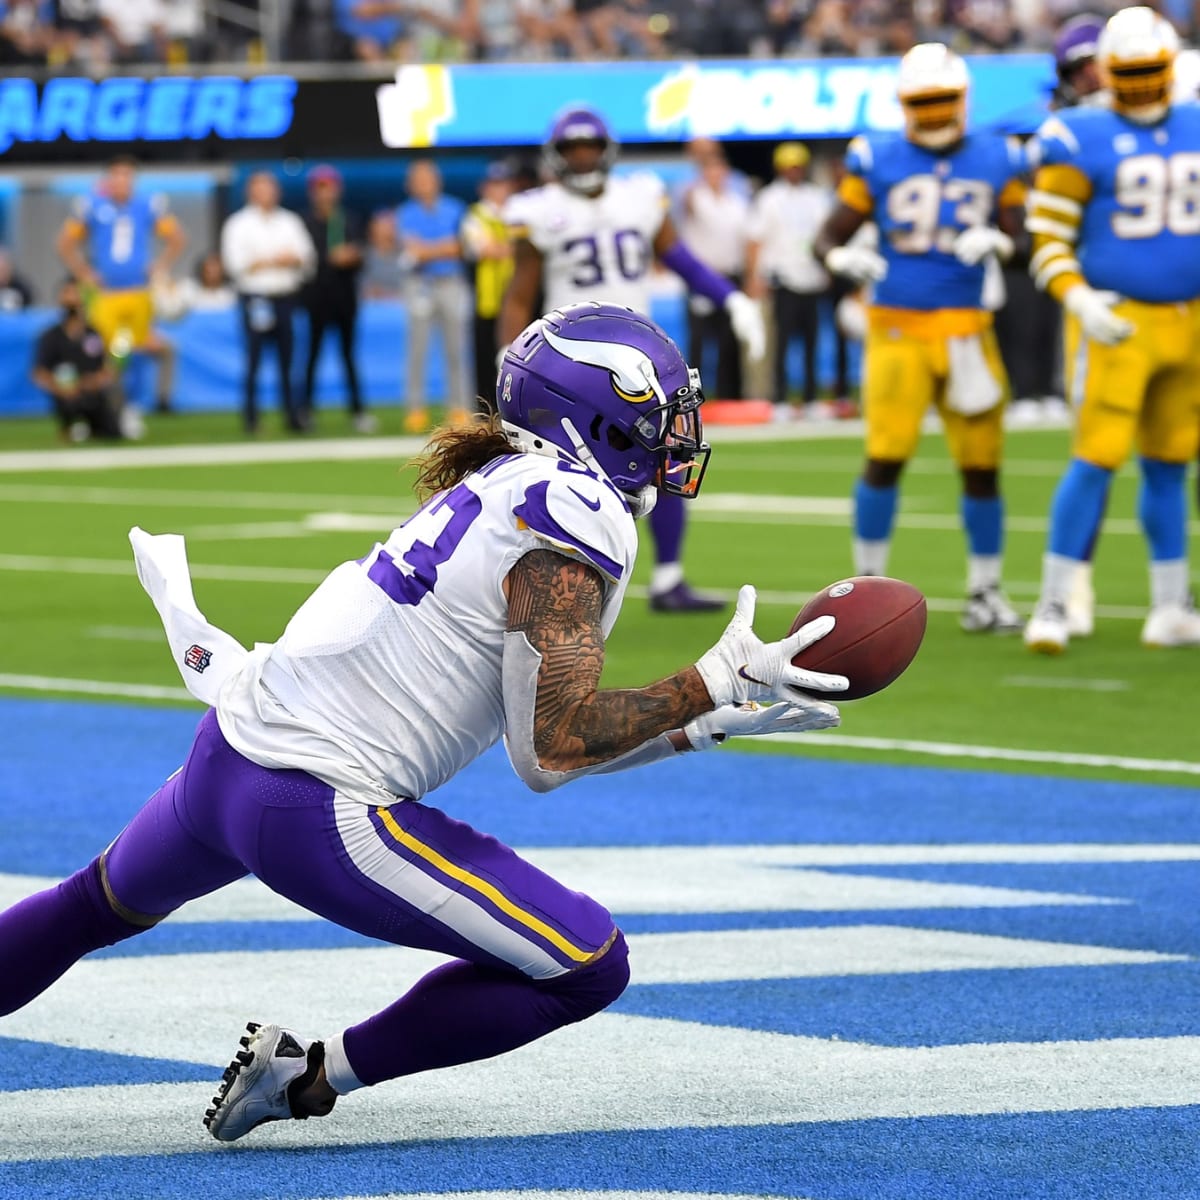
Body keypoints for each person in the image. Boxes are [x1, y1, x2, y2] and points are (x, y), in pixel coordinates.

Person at [0, 301, 845, 1144]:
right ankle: (308, 1076)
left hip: (228, 758)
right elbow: (551, 750)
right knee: (588, 965)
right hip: (314, 807)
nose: (674, 436)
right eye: (659, 416)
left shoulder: (511, 480)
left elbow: (552, 740)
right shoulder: (574, 510)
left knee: (86, 907)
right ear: (601, 418)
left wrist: (697, 724)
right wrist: (705, 683)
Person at [499, 106, 767, 613]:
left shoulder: (639, 197)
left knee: (669, 451)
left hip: (638, 357)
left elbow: (681, 259)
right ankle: (548, 581)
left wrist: (732, 299)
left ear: (606, 151)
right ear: (556, 157)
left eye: (590, 149)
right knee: (561, 467)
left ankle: (667, 578)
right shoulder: (538, 210)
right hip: (567, 366)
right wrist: (509, 351)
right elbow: (520, 292)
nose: (582, 159)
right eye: (572, 150)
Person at [815, 42, 1027, 634]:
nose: (933, 114)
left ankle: (985, 590)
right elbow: (825, 237)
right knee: (885, 458)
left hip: (966, 329)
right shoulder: (876, 156)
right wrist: (841, 260)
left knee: (982, 465)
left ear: (963, 99)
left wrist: (1003, 245)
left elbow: (1028, 239)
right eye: (922, 102)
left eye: (941, 101)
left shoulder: (1000, 156)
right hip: (898, 326)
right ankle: (862, 591)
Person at [1023, 6, 1200, 654]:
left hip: (1191, 321)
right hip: (1118, 320)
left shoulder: (1194, 120)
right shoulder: (1079, 133)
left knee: (1169, 464)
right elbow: (1046, 239)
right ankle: (1054, 604)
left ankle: (1171, 606)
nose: (1146, 85)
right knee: (1095, 458)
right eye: (1133, 73)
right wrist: (1080, 299)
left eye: (1154, 71)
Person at [56, 155, 184, 415]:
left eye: (127, 175)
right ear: (107, 179)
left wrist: (160, 266)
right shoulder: (92, 205)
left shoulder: (147, 205)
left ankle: (135, 404)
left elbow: (177, 239)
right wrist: (84, 272)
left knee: (132, 349)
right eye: (116, 175)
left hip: (138, 292)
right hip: (105, 295)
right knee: (110, 353)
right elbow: (65, 243)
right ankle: (111, 408)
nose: (121, 181)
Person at [220, 171, 317, 435]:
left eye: (271, 188)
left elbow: (307, 259)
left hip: (286, 297)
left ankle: (293, 416)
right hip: (256, 299)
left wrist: (266, 261)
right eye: (261, 188)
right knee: (253, 360)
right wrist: (276, 260)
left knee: (288, 360)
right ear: (250, 192)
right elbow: (236, 265)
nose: (267, 194)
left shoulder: (289, 221)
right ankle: (251, 419)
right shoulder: (238, 224)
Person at [746, 142, 835, 419]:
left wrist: (829, 269)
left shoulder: (817, 197)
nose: (794, 171)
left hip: (812, 277)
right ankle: (780, 398)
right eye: (789, 166)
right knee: (781, 344)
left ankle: (810, 399)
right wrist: (755, 276)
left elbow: (827, 234)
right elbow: (756, 239)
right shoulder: (770, 198)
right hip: (783, 277)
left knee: (812, 343)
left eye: (798, 166)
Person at [674, 139, 751, 402]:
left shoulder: (736, 203)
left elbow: (746, 240)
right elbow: (685, 203)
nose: (716, 175)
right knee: (698, 340)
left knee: (729, 341)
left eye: (720, 170)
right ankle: (694, 396)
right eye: (711, 170)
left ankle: (729, 396)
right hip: (702, 277)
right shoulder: (695, 195)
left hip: (730, 274)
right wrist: (701, 158)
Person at [397, 158, 471, 433]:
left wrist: (428, 250)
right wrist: (443, 248)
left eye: (427, 178)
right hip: (420, 284)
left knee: (456, 348)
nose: (423, 185)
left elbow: (461, 247)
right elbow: (411, 249)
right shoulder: (406, 213)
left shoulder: (455, 208)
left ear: (437, 181)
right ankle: (415, 408)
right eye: (418, 180)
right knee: (417, 349)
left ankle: (460, 406)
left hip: (451, 282)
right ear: (410, 185)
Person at [301, 163, 374, 434]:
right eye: (320, 188)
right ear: (313, 192)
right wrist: (331, 257)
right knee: (312, 355)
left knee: (348, 356)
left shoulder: (349, 219)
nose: (325, 193)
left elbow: (360, 254)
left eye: (329, 187)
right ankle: (305, 411)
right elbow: (308, 257)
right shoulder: (305, 222)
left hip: (345, 298)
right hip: (317, 297)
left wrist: (352, 256)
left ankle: (357, 411)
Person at [32, 277, 122, 442]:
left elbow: (108, 369)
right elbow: (39, 373)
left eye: (77, 294)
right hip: (66, 395)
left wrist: (95, 381)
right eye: (68, 293)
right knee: (70, 404)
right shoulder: (50, 337)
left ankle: (92, 428)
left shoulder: (94, 333)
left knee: (112, 432)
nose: (73, 299)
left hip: (93, 394)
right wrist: (60, 388)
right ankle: (69, 428)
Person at [461, 160, 517, 414]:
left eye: (503, 184)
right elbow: (482, 249)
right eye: (496, 185)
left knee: (513, 360)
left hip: (515, 299)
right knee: (485, 361)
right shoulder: (476, 215)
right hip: (489, 300)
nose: (500, 190)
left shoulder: (516, 213)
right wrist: (511, 248)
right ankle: (486, 413)